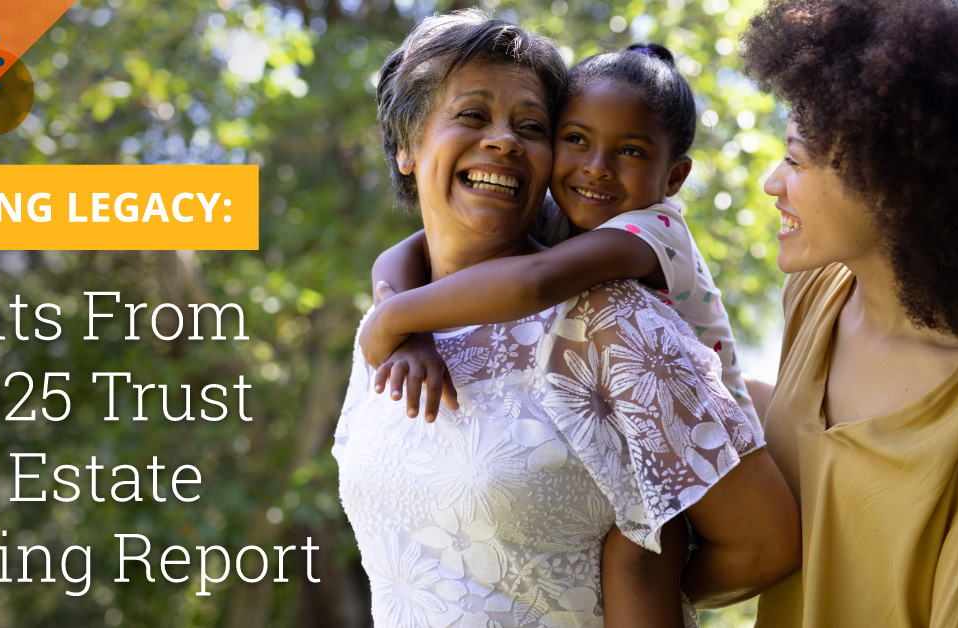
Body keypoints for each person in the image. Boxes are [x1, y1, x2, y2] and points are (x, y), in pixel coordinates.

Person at [334, 11, 799, 628]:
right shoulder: (399, 320)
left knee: (639, 554)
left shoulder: (613, 307)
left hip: (669, 496)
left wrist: (616, 601)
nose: (503, 141)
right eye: (473, 115)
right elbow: (407, 255)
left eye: (530, 125)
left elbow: (763, 542)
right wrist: (401, 323)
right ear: (405, 146)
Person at [361, 43, 761, 429]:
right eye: (576, 140)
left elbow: (536, 282)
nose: (597, 167)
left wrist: (393, 318)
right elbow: (410, 249)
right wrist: (413, 335)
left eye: (631, 151)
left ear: (674, 177)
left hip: (717, 443)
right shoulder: (560, 213)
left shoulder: (653, 232)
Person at [737, 0, 958, 626]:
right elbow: (814, 449)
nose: (772, 183)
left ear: (888, 179)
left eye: (795, 158)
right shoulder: (815, 293)